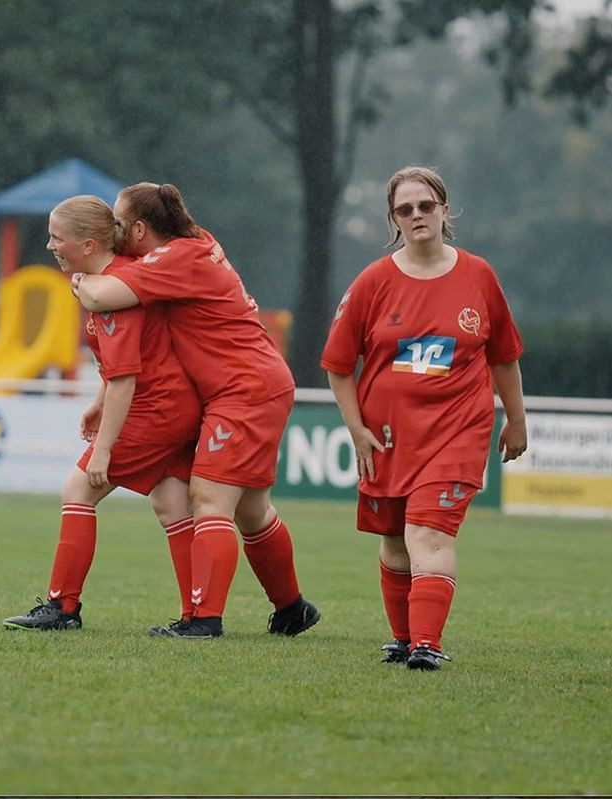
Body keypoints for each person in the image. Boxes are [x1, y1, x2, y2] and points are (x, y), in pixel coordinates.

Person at [73, 183, 318, 639]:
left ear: (142, 229)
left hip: (243, 390)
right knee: (252, 511)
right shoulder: (194, 243)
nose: (114, 230)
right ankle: (292, 609)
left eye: (121, 223)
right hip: (256, 383)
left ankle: (203, 621)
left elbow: (100, 297)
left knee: (209, 501)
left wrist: (79, 277)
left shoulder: (173, 259)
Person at [321, 165, 527, 671]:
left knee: (428, 534)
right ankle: (403, 637)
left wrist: (517, 420)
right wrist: (357, 430)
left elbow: (503, 356)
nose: (417, 215)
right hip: (388, 438)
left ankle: (426, 645)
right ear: (394, 218)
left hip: (458, 432)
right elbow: (338, 365)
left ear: (444, 209)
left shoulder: (478, 275)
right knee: (395, 543)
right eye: (405, 209)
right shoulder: (373, 281)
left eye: (426, 205)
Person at [4, 195, 200, 631]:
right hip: (176, 406)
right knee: (171, 504)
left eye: (57, 238)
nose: (51, 246)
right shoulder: (113, 280)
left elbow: (128, 377)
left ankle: (62, 607)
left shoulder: (113, 290)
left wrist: (105, 449)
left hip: (157, 408)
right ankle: (198, 615)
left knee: (77, 490)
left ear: (89, 245)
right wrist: (98, 401)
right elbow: (127, 364)